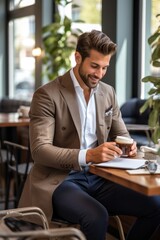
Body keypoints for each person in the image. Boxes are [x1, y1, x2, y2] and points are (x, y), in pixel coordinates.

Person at [19, 30, 160, 240]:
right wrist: (89, 155)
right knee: (96, 216)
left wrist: (129, 146)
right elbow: (40, 151)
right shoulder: (47, 94)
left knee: (156, 206)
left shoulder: (107, 92)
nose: (99, 74)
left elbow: (122, 134)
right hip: (61, 179)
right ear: (77, 57)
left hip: (99, 177)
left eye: (104, 68)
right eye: (94, 66)